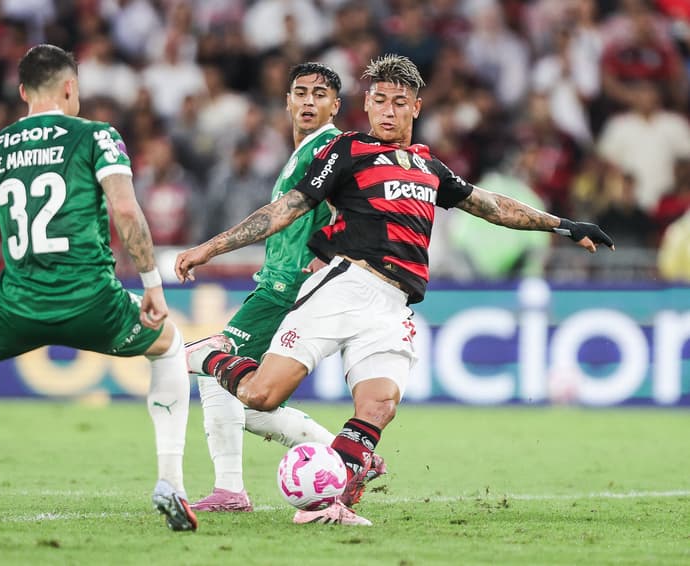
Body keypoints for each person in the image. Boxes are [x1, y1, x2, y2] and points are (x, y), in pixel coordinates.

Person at [176, 54, 615, 526]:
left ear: (416, 108)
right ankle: (209, 355)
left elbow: (490, 205)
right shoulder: (345, 152)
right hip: (343, 286)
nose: (388, 110)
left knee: (379, 407)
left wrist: (563, 225)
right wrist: (211, 248)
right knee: (261, 396)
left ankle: (330, 504)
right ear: (366, 104)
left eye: (399, 102)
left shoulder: (428, 165)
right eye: (380, 100)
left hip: (392, 305)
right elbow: (285, 209)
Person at [0, 44, 197, 533]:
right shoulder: (96, 136)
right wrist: (152, 283)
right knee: (170, 346)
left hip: (16, 306)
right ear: (70, 88)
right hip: (93, 300)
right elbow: (127, 212)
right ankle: (171, 483)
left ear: (24, 91)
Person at [190, 62, 385, 514]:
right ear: (288, 101)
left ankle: (230, 491)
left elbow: (358, 206)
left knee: (211, 366)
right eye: (300, 93)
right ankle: (352, 460)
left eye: (320, 94)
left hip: (288, 289)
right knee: (252, 400)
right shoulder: (302, 152)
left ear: (336, 105)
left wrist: (331, 254)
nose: (308, 101)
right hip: (279, 286)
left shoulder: (332, 149)